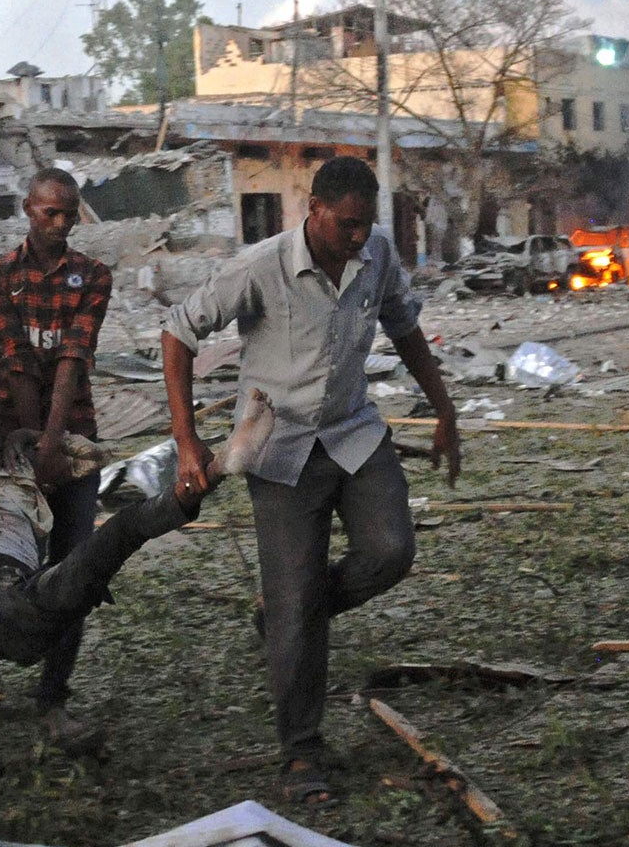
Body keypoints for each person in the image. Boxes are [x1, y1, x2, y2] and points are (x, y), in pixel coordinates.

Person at [160, 157, 460, 805]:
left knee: (390, 551)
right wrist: (188, 442)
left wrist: (444, 409)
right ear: (314, 212)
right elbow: (178, 332)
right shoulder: (261, 266)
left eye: (365, 225)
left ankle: (289, 611)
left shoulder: (376, 253)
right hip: (279, 445)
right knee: (296, 600)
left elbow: (405, 329)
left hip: (352, 430)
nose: (358, 237)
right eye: (347, 225)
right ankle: (300, 753)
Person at [0, 390, 275, 677]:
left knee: (115, 536)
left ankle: (219, 468)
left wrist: (37, 439)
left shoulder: (23, 467)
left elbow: (93, 456)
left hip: (28, 601)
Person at [0, 166, 113, 745]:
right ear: (28, 210)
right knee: (1, 562)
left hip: (73, 440)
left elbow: (70, 361)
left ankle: (54, 697)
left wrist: (54, 448)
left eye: (69, 213)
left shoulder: (94, 276)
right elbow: (15, 360)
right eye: (49, 213)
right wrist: (33, 451)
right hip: (8, 439)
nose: (60, 223)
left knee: (75, 568)